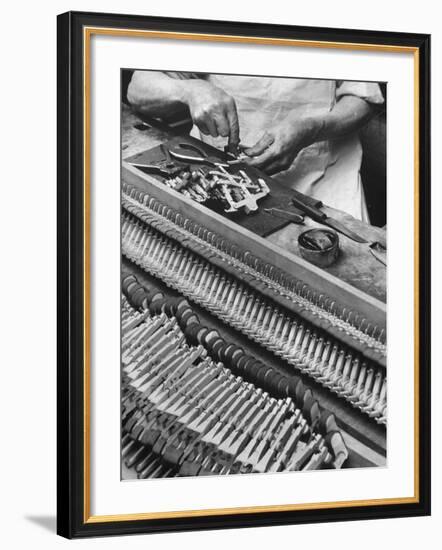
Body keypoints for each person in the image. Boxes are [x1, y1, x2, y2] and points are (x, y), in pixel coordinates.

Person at [126, 71, 384, 221]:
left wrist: (311, 129)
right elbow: (138, 88)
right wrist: (189, 90)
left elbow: (363, 98)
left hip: (322, 180)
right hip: (216, 176)